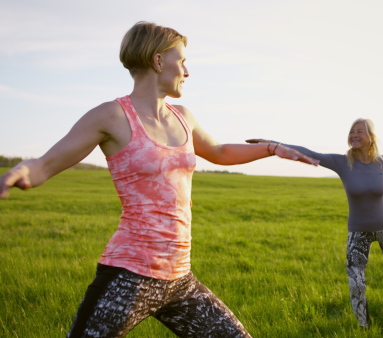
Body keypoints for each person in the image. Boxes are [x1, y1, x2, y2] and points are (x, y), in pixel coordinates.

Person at [0, 21, 318, 337]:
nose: (187, 72)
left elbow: (220, 152)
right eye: (182, 61)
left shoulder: (183, 117)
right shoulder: (111, 116)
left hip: (180, 279)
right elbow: (45, 163)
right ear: (157, 61)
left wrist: (273, 149)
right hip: (129, 274)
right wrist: (20, 172)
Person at [246, 118, 383, 329]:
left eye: (359, 131)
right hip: (358, 231)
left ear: (371, 138)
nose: (354, 135)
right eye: (351, 131)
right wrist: (271, 144)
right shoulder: (342, 163)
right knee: (356, 282)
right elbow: (309, 152)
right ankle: (364, 326)